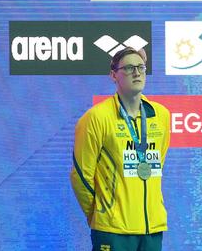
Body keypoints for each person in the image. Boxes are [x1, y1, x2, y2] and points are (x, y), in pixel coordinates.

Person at [70, 47, 170, 251]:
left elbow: (157, 165)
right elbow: (81, 176)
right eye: (129, 68)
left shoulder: (161, 116)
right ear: (113, 75)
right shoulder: (96, 118)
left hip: (152, 229)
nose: (137, 73)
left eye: (141, 67)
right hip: (113, 230)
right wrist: (101, 213)